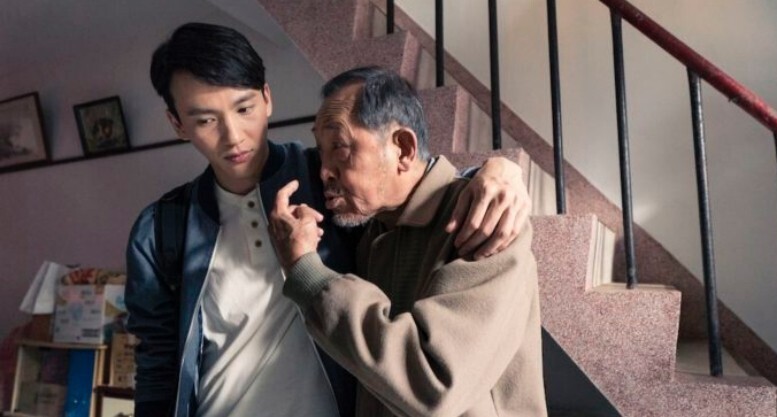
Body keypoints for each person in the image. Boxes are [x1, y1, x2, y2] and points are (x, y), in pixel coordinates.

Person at [125, 23, 533, 417]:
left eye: (244, 108)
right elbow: (158, 365)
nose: (233, 136)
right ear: (178, 124)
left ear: (267, 99)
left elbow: (404, 181)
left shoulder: (329, 187)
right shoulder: (161, 230)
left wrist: (494, 174)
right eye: (205, 120)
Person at [269, 66, 547, 417]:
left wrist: (306, 271)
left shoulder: (486, 220)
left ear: (402, 149)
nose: (324, 170)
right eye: (320, 150)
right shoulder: (374, 232)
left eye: (339, 147)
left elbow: (433, 385)